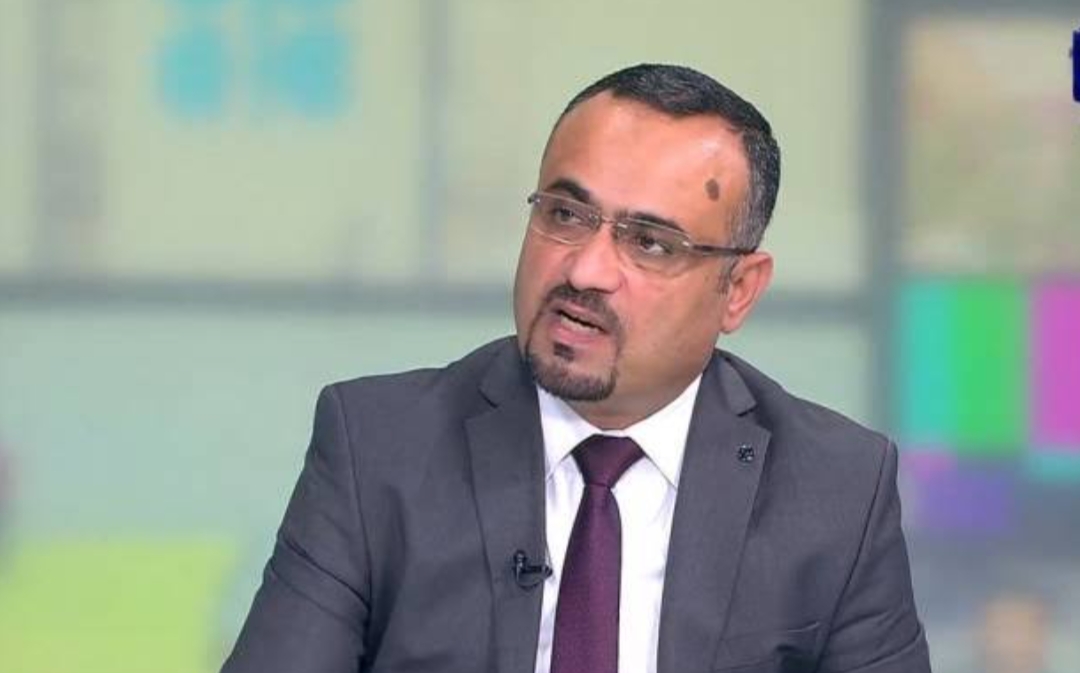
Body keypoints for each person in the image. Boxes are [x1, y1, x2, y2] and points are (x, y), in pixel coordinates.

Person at [223, 64, 931, 673]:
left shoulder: (836, 489)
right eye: (565, 214)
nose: (586, 270)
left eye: (650, 243)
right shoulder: (379, 447)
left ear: (738, 290)